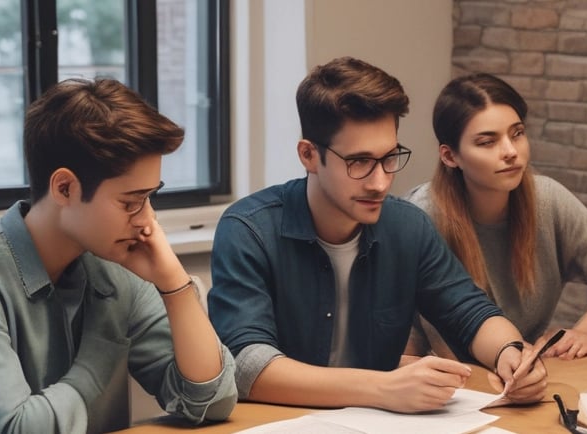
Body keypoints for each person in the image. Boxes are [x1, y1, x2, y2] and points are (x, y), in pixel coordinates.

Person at [207, 56, 547, 414]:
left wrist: (512, 354)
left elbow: (469, 312)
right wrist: (383, 388)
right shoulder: (249, 230)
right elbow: (247, 364)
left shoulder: (407, 227)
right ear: (309, 155)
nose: (380, 182)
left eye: (389, 157)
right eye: (359, 161)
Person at [0, 78, 237, 434]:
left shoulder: (115, 263)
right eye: (131, 202)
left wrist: (174, 285)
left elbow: (212, 403)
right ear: (65, 188)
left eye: (149, 198)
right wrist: (102, 347)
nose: (148, 220)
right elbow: (15, 430)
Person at [404, 73, 587, 362]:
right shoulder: (420, 217)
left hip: (526, 371)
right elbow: (400, 333)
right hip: (447, 378)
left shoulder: (547, 199)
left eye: (517, 134)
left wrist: (584, 333)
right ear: (449, 156)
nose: (510, 152)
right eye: (487, 142)